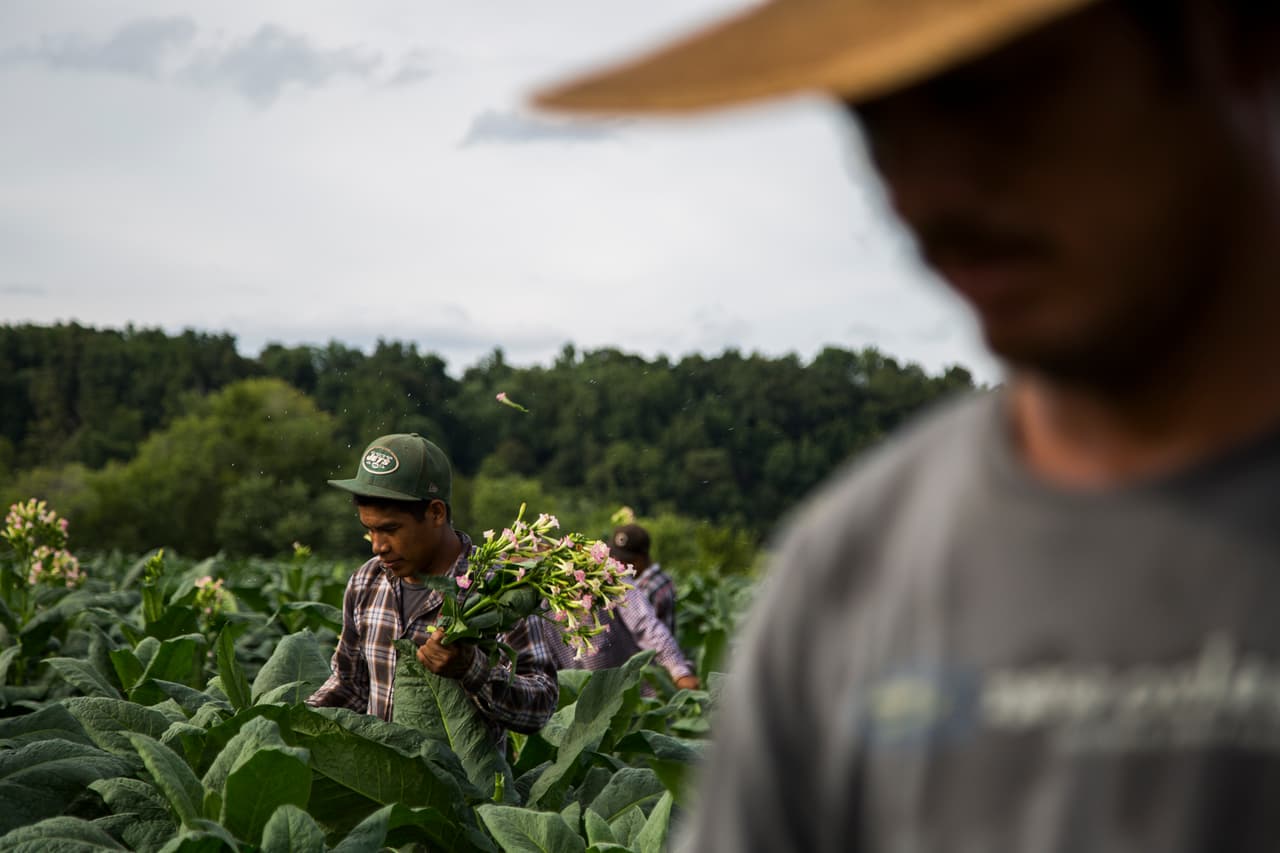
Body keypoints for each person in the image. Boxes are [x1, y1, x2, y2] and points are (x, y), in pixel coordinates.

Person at [537, 0, 1280, 849]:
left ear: (1239, 43)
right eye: (878, 121)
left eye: (992, 95)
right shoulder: (853, 568)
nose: (929, 196)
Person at [307, 432, 558, 744]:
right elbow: (349, 686)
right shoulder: (365, 581)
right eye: (369, 530)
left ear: (436, 512)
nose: (377, 547)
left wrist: (472, 669)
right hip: (381, 789)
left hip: (466, 791)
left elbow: (541, 705)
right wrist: (295, 726)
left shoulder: (501, 589)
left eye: (390, 529)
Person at [611, 523, 678, 636]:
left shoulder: (649, 589)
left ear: (641, 558)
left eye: (626, 561)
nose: (619, 564)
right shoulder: (663, 578)